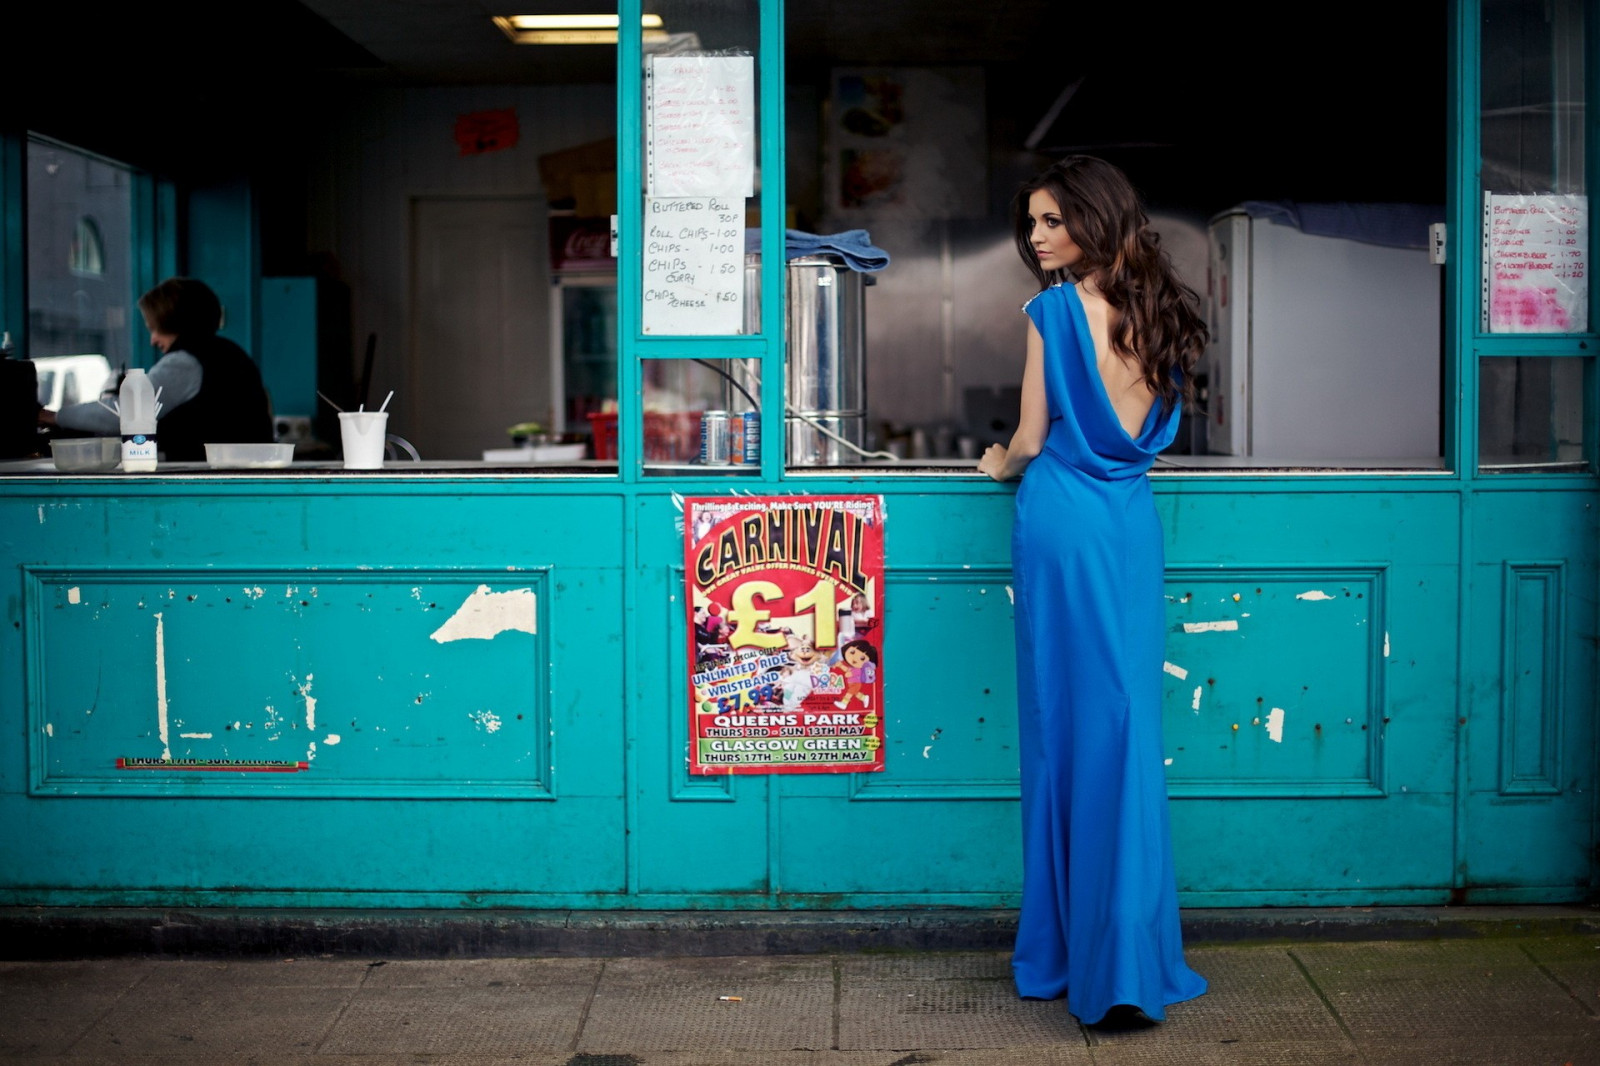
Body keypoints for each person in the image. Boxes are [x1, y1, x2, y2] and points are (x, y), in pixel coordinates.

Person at [977, 156, 1209, 1025]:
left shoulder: (1051, 312)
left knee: (1063, 732)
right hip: (1127, 529)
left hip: (1062, 524)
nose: (1037, 239)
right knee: (1125, 723)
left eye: (1050, 222)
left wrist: (998, 461)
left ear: (1093, 220)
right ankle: (1133, 959)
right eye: (1031, 224)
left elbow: (1032, 436)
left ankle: (1075, 958)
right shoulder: (1157, 311)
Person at [43, 277, 273, 460]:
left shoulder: (186, 362)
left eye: (155, 328)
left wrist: (53, 416)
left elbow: (125, 414)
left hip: (212, 477)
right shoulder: (229, 352)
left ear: (176, 324)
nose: (153, 340)